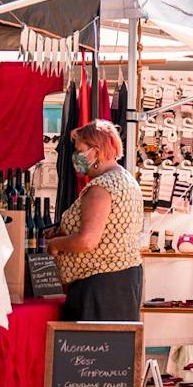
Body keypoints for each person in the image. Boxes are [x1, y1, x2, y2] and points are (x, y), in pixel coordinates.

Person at [49, 119, 144, 322]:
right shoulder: (126, 179)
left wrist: (56, 244)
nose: (76, 156)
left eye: (79, 149)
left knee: (90, 351)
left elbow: (87, 241)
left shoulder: (101, 187)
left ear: (97, 150)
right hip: (122, 282)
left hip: (99, 287)